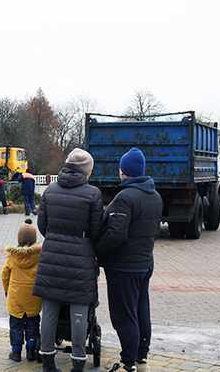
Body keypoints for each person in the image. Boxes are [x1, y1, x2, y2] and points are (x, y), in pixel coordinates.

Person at [34, 148, 103, 372]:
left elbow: (42, 225)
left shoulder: (50, 190)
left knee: (49, 310)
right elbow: (96, 230)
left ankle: (48, 361)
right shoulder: (93, 194)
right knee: (79, 311)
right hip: (80, 259)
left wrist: (56, 237)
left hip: (51, 255)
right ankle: (78, 363)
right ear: (87, 170)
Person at [96, 147, 163, 372]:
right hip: (145, 263)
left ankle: (128, 362)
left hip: (124, 267)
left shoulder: (125, 198)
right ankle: (141, 355)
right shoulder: (155, 196)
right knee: (141, 310)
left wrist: (97, 253)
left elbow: (116, 234)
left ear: (125, 171)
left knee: (124, 315)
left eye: (120, 169)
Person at [1, 219, 43, 363]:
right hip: (33, 298)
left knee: (16, 326)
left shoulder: (13, 256)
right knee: (33, 326)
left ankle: (16, 352)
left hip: (15, 298)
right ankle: (31, 351)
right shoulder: (38, 256)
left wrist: (7, 290)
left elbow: (4, 275)